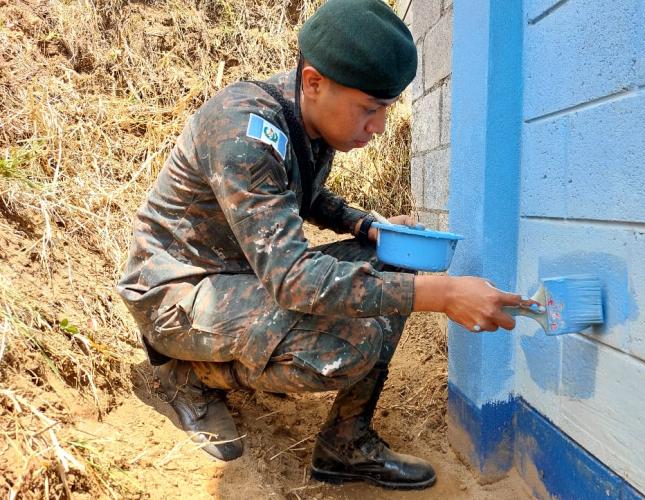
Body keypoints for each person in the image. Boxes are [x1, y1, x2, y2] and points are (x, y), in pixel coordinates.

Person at [117, 0, 525, 490]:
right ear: (313, 82)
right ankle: (192, 374)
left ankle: (345, 444)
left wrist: (368, 227)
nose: (378, 127)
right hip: (177, 292)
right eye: (370, 109)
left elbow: (306, 195)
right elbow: (292, 280)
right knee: (350, 344)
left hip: (242, 277)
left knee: (391, 261)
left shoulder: (307, 121)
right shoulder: (243, 129)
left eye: (385, 110)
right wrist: (442, 294)